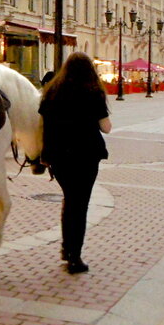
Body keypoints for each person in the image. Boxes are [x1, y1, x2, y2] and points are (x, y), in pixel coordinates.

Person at [39, 52, 111, 274]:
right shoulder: (93, 92)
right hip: (86, 155)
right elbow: (106, 127)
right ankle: (74, 257)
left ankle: (66, 248)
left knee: (70, 200)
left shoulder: (52, 92)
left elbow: (43, 124)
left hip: (59, 155)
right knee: (79, 205)